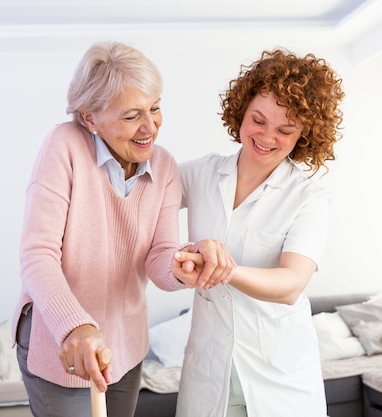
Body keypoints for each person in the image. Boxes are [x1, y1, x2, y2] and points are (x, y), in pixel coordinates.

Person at [12, 41, 232, 417]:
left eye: (156, 108)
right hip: (63, 343)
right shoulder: (63, 146)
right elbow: (38, 255)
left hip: (126, 345)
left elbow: (159, 257)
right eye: (132, 116)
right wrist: (76, 327)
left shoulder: (164, 167)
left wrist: (182, 264)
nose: (150, 127)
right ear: (89, 117)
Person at [173, 48, 345, 417]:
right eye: (258, 120)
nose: (267, 137)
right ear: (241, 110)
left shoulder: (308, 198)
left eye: (285, 130)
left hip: (281, 378)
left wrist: (226, 269)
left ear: (305, 135)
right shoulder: (201, 174)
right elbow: (139, 191)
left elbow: (290, 284)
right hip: (209, 371)